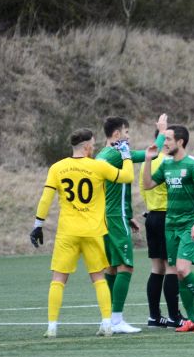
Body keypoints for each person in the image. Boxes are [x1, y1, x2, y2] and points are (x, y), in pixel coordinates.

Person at [30, 128, 135, 338]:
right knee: (98, 278)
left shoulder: (57, 168)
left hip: (67, 232)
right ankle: (107, 324)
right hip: (93, 232)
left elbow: (45, 198)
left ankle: (52, 326)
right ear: (87, 147)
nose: (94, 148)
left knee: (58, 279)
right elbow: (128, 176)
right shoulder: (98, 166)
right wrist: (126, 155)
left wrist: (38, 225)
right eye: (93, 145)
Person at [142, 124, 194, 332]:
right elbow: (147, 185)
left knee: (182, 269)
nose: (165, 143)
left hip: (189, 223)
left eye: (169, 139)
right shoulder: (166, 164)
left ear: (180, 142)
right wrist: (147, 160)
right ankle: (190, 319)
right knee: (179, 273)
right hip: (169, 224)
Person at [94, 115, 147, 334]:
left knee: (112, 267)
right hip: (115, 217)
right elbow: (148, 154)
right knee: (126, 265)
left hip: (107, 216)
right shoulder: (117, 154)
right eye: (126, 132)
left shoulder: (102, 154)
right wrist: (163, 136)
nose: (128, 137)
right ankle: (116, 319)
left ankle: (108, 319)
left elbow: (113, 190)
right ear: (116, 135)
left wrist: (129, 213)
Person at [138, 121, 183, 328]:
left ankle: (154, 316)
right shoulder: (168, 162)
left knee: (157, 268)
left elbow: (144, 187)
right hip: (168, 217)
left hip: (152, 217)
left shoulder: (148, 162)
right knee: (172, 267)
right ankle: (175, 316)